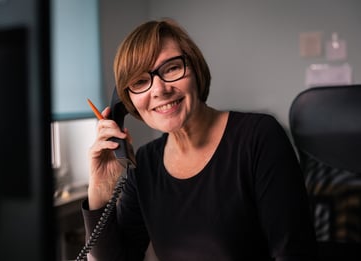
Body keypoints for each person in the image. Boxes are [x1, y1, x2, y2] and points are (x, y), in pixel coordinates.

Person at [82, 18, 317, 260]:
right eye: (140, 81)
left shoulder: (259, 137)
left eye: (172, 68)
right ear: (128, 101)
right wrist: (99, 189)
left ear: (195, 69)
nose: (159, 89)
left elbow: (294, 253)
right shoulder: (144, 163)